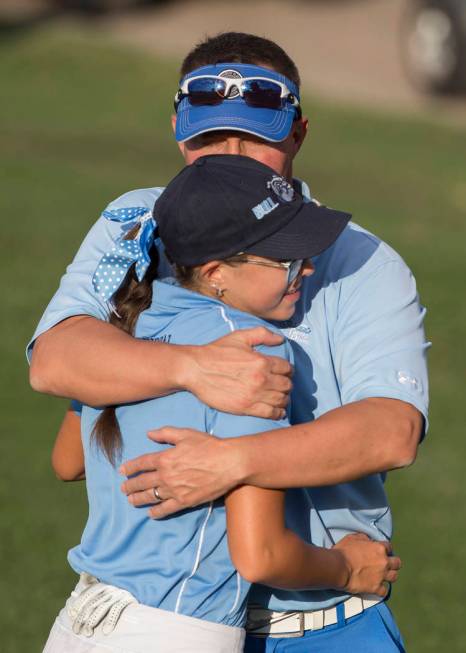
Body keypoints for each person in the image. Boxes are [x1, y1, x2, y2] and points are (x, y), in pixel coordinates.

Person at [29, 33, 429, 652]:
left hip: (315, 624)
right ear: (176, 130)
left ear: (297, 134)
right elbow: (57, 360)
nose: (230, 158)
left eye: (255, 140)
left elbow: (392, 431)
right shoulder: (138, 224)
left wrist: (227, 463)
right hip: (176, 613)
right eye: (210, 139)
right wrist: (194, 369)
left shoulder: (365, 262)